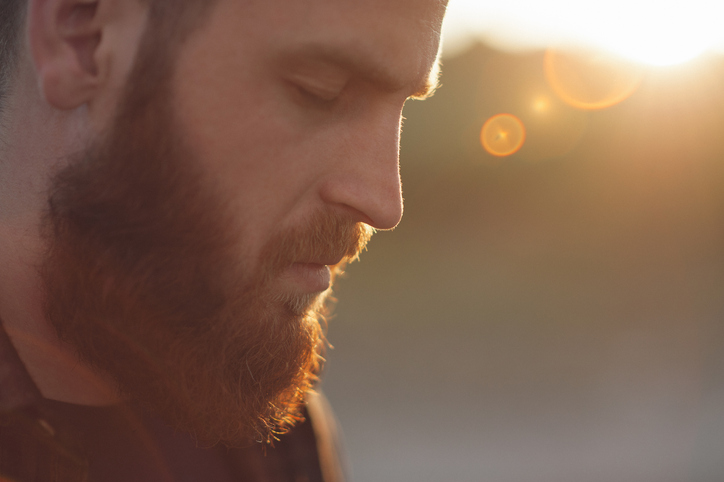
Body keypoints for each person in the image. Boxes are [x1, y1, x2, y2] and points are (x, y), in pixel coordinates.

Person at [0, 0, 447, 480]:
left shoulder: (267, 430)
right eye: (319, 91)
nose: (385, 203)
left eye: (401, 112)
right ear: (84, 39)